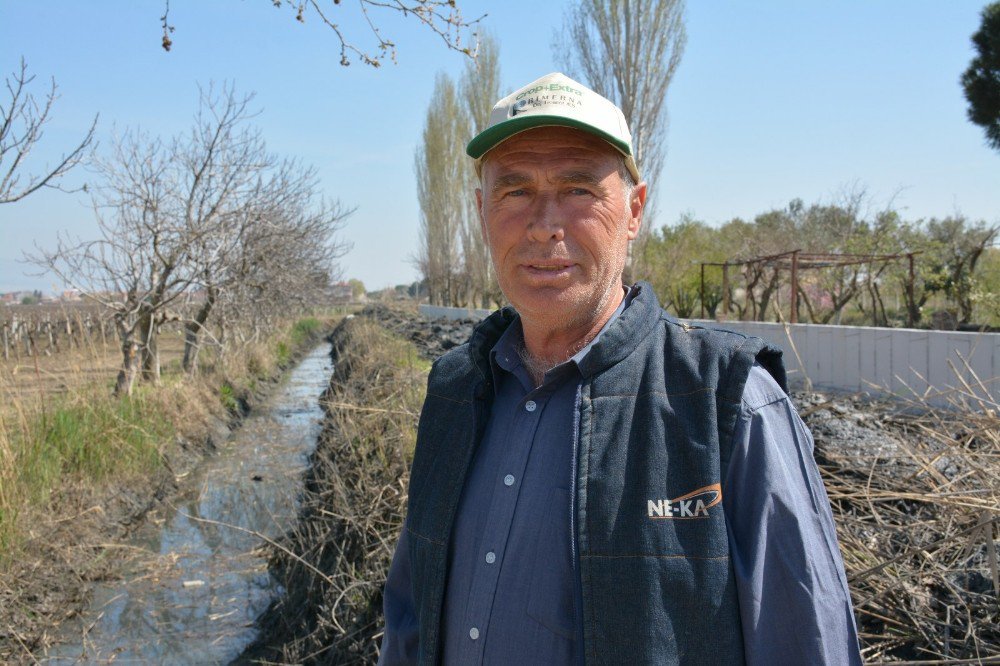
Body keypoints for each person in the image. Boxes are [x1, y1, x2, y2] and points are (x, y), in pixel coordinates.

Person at [378, 72, 861, 665]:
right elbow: (409, 614)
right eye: (515, 191)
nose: (544, 223)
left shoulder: (728, 402)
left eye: (578, 188)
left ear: (633, 211)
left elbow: (808, 645)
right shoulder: (454, 389)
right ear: (482, 212)